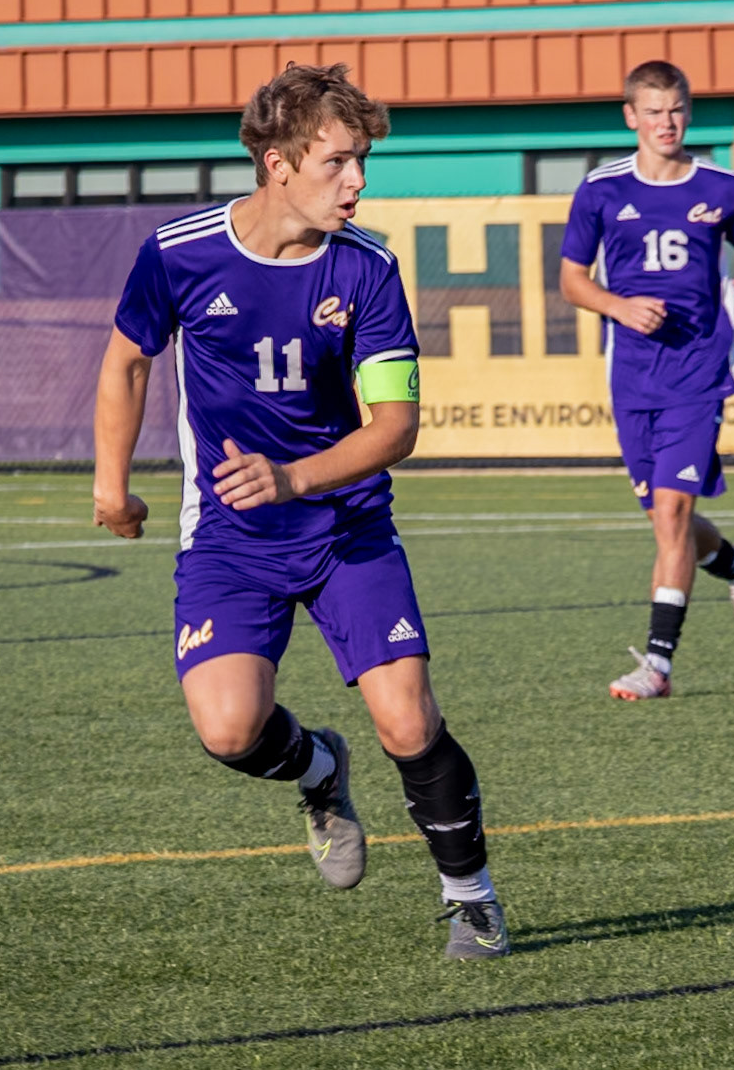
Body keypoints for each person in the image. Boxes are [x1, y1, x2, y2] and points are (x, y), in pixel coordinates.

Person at [92, 63, 508, 959]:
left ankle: (469, 896)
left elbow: (395, 427)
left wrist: (295, 478)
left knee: (408, 719)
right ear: (277, 163)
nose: (357, 180)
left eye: (362, 162)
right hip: (230, 541)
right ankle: (320, 769)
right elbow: (127, 360)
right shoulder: (180, 252)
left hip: (347, 525)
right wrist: (110, 484)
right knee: (229, 729)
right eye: (338, 162)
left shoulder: (369, 269)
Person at [559, 60, 734, 701]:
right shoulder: (600, 191)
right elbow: (572, 280)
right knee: (667, 519)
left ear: (689, 112)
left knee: (675, 511)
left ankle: (657, 665)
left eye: (677, 109)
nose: (667, 122)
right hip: (632, 375)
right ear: (631, 117)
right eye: (653, 111)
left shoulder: (722, 186)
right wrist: (618, 306)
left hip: (699, 368)